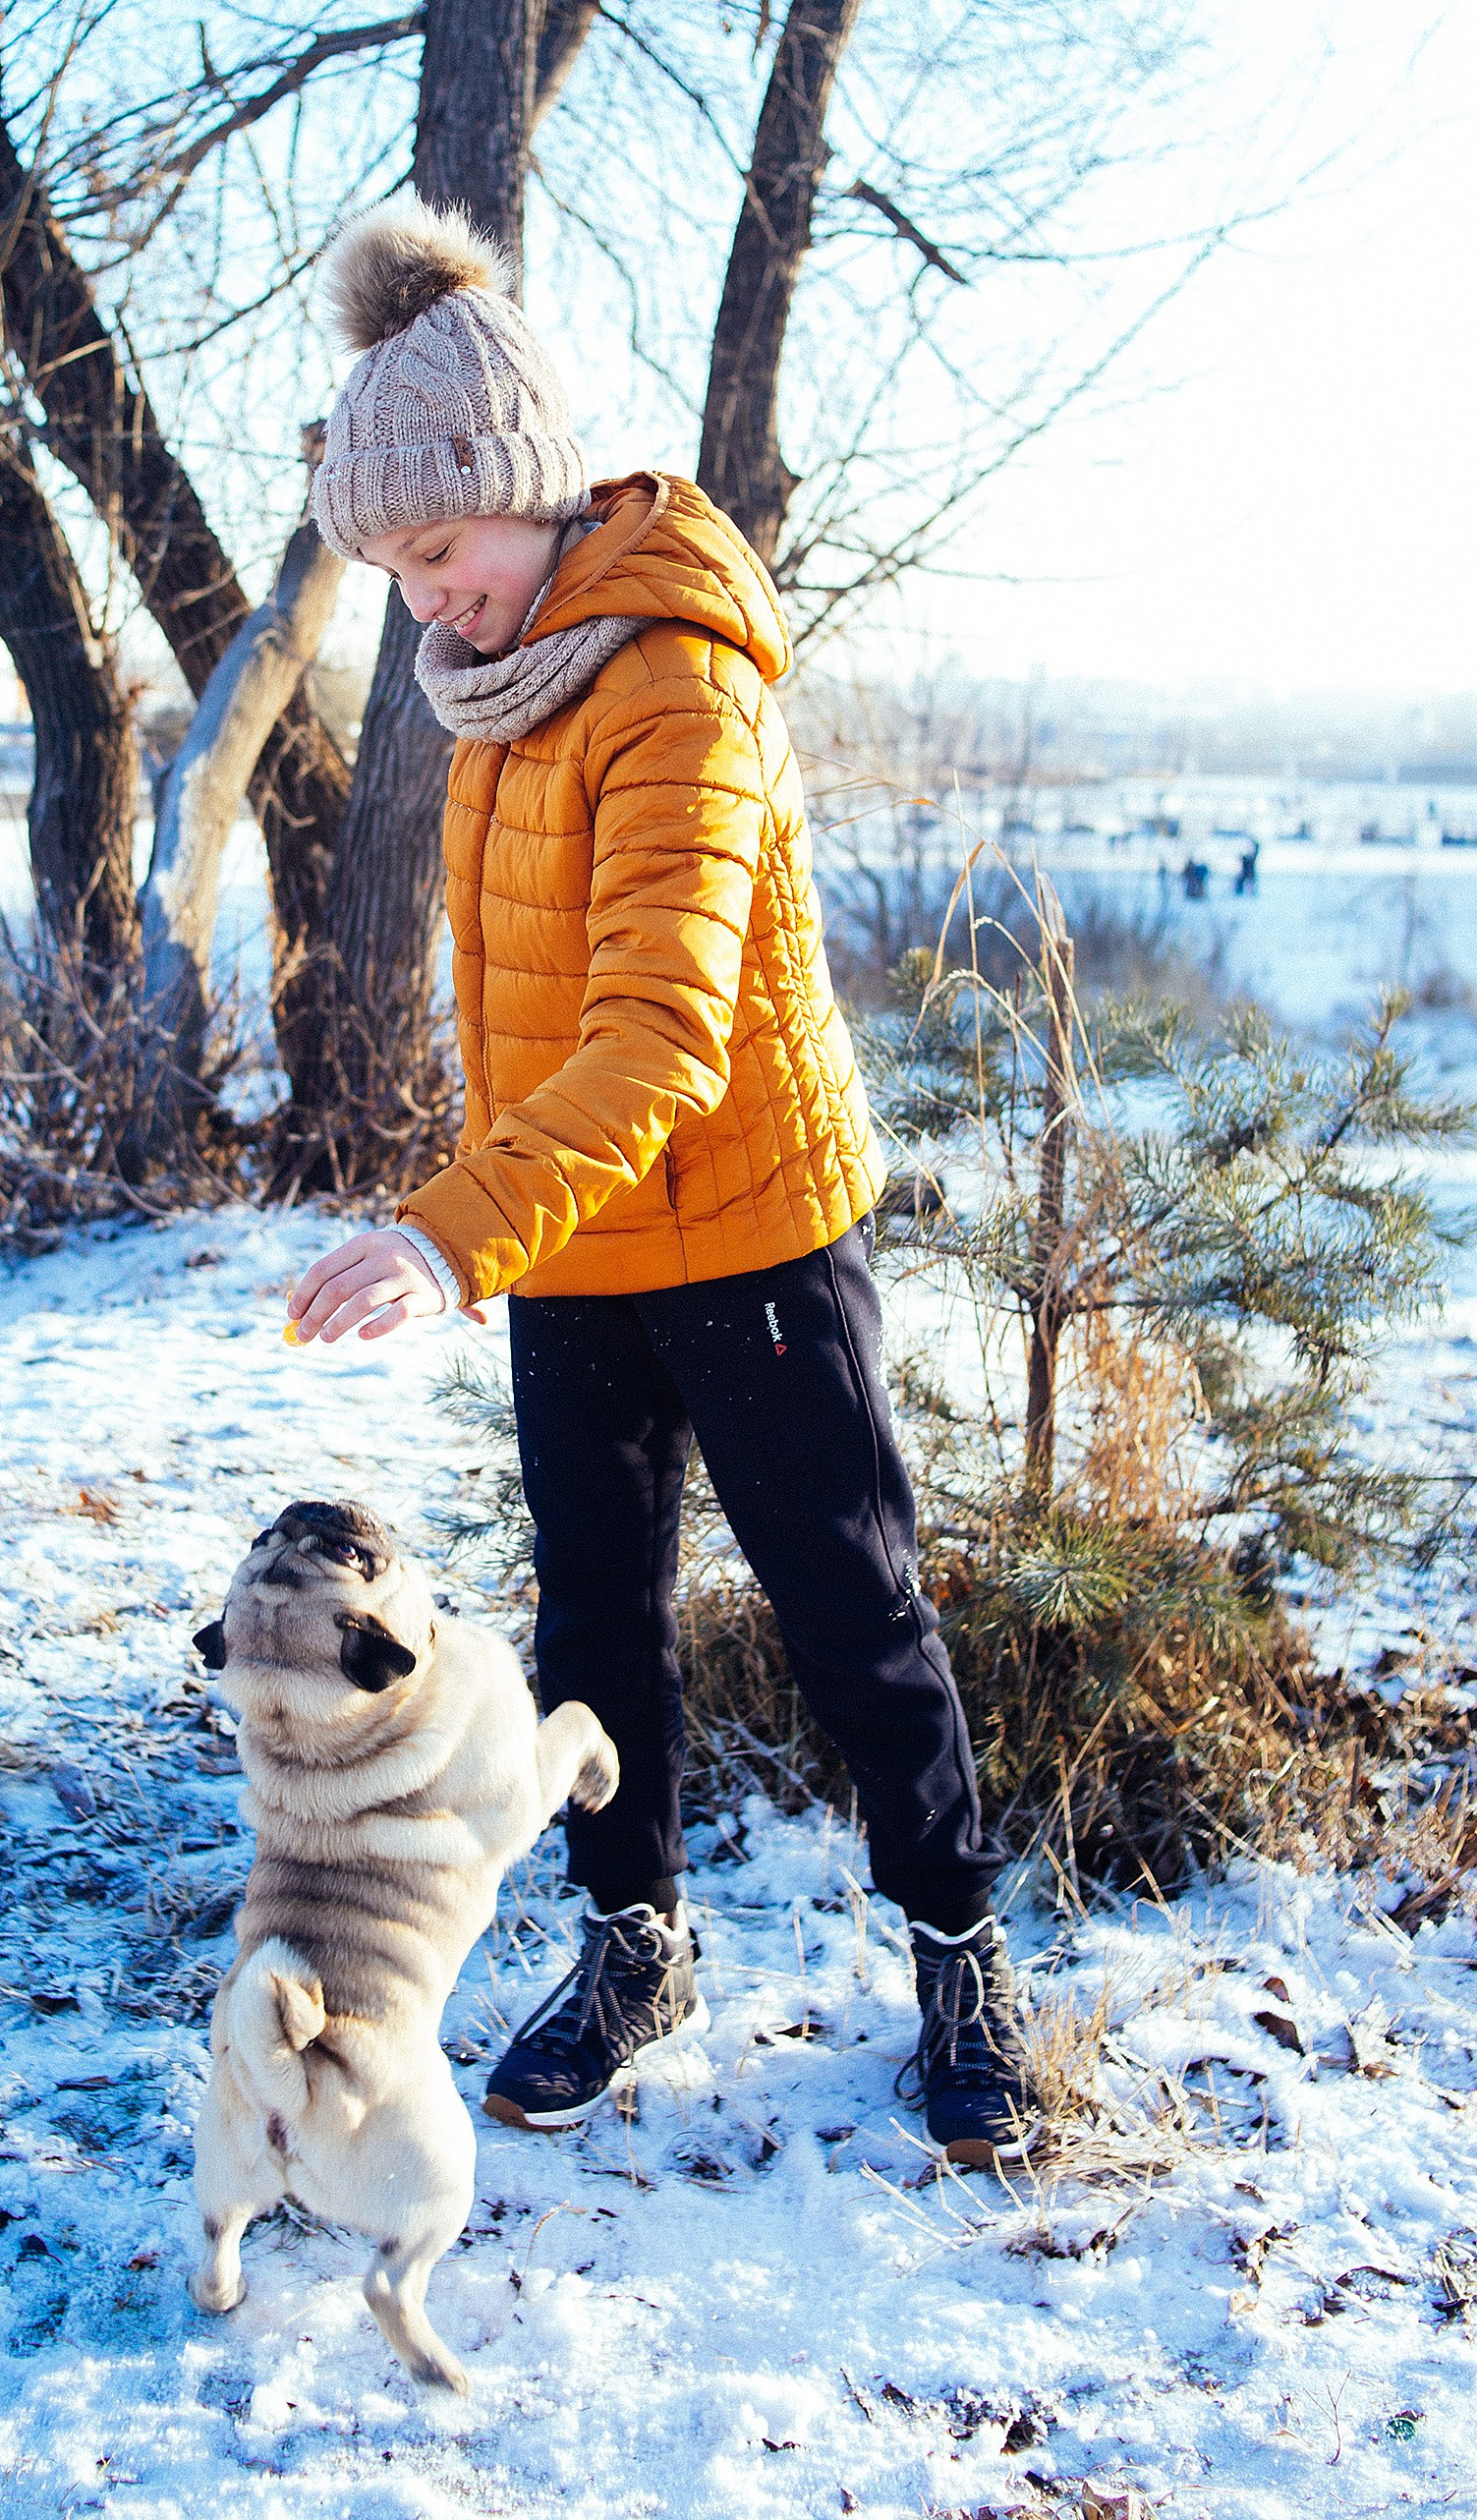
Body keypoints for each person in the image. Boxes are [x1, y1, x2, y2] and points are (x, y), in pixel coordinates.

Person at [285, 200, 1033, 2168]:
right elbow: (528, 1019)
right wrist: (495, 1220)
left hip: (752, 1232)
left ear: (521, 487)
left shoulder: (678, 679)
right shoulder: (499, 687)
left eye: (438, 551)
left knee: (850, 1605)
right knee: (594, 1623)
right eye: (392, 573)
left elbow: (658, 1033)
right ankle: (635, 1944)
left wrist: (446, 1231)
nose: (424, 602)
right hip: (573, 1238)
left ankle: (958, 1952)